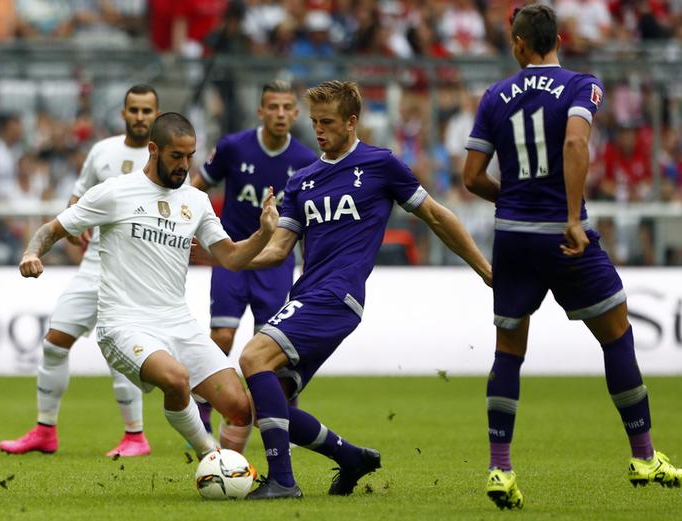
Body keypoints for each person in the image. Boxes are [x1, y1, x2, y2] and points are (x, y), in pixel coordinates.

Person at [196, 80, 492, 499]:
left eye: (328, 122)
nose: (318, 130)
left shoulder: (380, 165)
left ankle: (282, 481)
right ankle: (351, 457)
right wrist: (236, 250)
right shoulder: (303, 181)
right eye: (315, 122)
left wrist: (484, 269)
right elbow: (279, 250)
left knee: (252, 355)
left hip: (337, 296)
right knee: (270, 402)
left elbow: (437, 216)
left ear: (352, 122)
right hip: (306, 294)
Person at [462, 4, 682, 511]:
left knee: (507, 352)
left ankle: (500, 469)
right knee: (617, 333)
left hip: (514, 236)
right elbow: (574, 142)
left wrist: (515, 198)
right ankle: (643, 456)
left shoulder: (494, 95)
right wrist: (569, 215)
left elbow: (472, 177)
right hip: (566, 236)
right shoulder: (581, 85)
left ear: (519, 44)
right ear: (558, 39)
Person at [16, 112, 278, 460]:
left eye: (190, 156)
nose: (185, 165)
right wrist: (31, 252)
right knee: (176, 379)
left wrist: (264, 234)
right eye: (177, 156)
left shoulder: (195, 202)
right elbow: (52, 229)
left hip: (178, 322)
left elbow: (230, 257)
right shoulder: (114, 193)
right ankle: (211, 458)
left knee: (240, 407)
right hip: (124, 324)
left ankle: (229, 476)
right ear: (154, 150)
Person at [0, 85, 158, 457]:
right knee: (55, 342)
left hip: (134, 270)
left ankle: (135, 436)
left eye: (146, 111)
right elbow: (79, 195)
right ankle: (44, 430)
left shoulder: (164, 156)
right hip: (94, 263)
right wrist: (73, 225)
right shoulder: (103, 151)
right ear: (123, 113)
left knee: (121, 350)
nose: (139, 117)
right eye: (133, 110)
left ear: (156, 114)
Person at [189, 79, 317, 437]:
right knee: (223, 336)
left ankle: (281, 418)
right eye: (272, 107)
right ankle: (202, 405)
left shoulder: (306, 163)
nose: (279, 113)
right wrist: (190, 228)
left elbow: (307, 222)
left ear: (295, 113)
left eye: (286, 107)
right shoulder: (234, 148)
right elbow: (198, 187)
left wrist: (309, 268)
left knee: (271, 348)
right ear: (260, 111)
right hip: (232, 258)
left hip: (275, 265)